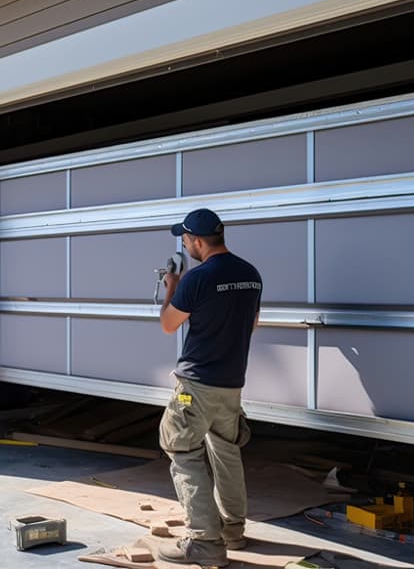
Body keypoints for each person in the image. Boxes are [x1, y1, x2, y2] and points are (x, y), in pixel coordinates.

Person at [156, 208, 262, 567]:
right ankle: (233, 530)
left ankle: (204, 542)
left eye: (186, 240)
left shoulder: (196, 279)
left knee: (182, 449)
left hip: (197, 384)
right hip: (232, 383)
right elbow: (252, 324)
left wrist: (172, 288)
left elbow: (169, 324)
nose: (185, 247)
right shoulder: (250, 274)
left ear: (197, 241)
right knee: (226, 451)